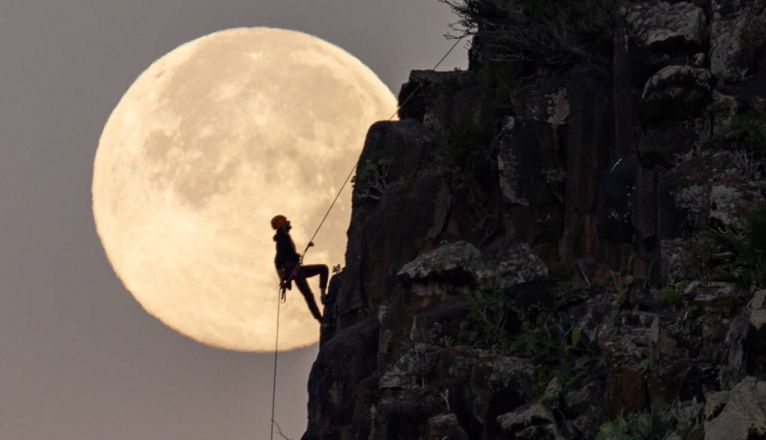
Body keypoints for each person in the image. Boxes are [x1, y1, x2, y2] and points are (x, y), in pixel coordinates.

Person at [271, 215, 328, 322]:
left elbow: (279, 260)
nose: (287, 221)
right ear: (278, 224)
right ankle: (321, 319)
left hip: (295, 269)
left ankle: (323, 296)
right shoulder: (281, 238)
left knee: (323, 269)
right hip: (292, 269)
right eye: (284, 221)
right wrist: (282, 279)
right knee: (308, 294)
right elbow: (277, 261)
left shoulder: (285, 237)